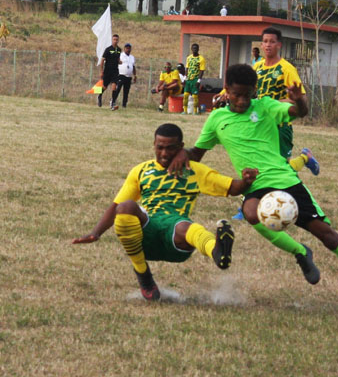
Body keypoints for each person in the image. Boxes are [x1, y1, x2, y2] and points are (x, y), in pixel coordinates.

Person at [169, 63, 338, 312]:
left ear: (254, 91)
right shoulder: (216, 119)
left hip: (287, 181)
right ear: (227, 90)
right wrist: (183, 153)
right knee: (251, 213)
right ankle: (300, 252)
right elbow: (197, 153)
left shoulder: (265, 106)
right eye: (237, 95)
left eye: (247, 95)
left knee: (328, 237)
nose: (242, 101)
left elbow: (299, 112)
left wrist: (299, 100)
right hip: (256, 185)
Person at [72, 123, 258, 301]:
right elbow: (116, 206)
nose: (164, 153)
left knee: (187, 227)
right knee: (125, 207)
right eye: (160, 147)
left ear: (181, 147)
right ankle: (144, 276)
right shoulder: (141, 170)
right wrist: (96, 233)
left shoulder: (194, 171)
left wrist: (246, 181)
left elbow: (232, 187)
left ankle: (216, 251)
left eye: (170, 148)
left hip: (175, 237)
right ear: (154, 144)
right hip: (145, 236)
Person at [253, 27, 319, 176]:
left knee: (282, 168)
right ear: (261, 45)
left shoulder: (286, 68)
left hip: (281, 125)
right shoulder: (257, 67)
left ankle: (304, 158)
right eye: (265, 41)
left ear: (279, 45)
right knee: (262, 165)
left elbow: (301, 97)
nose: (268, 45)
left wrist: (278, 103)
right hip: (261, 123)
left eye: (272, 42)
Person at [99, 34, 122, 109]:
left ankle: (113, 103)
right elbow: (102, 60)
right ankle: (99, 95)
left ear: (118, 40)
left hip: (115, 71)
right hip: (107, 71)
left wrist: (119, 62)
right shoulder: (108, 49)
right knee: (105, 86)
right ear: (112, 40)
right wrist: (101, 71)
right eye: (114, 39)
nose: (115, 41)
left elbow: (117, 59)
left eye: (116, 40)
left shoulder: (119, 50)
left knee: (114, 87)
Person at [182, 43, 206, 115]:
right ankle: (185, 111)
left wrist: (199, 80)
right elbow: (187, 68)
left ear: (198, 49)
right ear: (191, 49)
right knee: (185, 95)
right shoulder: (189, 58)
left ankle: (195, 111)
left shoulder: (201, 59)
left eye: (196, 48)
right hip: (188, 79)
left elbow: (202, 71)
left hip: (195, 79)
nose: (195, 49)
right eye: (193, 48)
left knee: (195, 96)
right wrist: (185, 78)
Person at [111, 43, 136, 110]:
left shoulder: (132, 57)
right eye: (127, 48)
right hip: (121, 75)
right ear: (124, 49)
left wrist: (135, 75)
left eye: (129, 48)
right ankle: (113, 102)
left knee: (126, 92)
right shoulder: (121, 55)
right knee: (117, 89)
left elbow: (133, 66)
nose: (128, 49)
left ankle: (124, 105)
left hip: (128, 76)